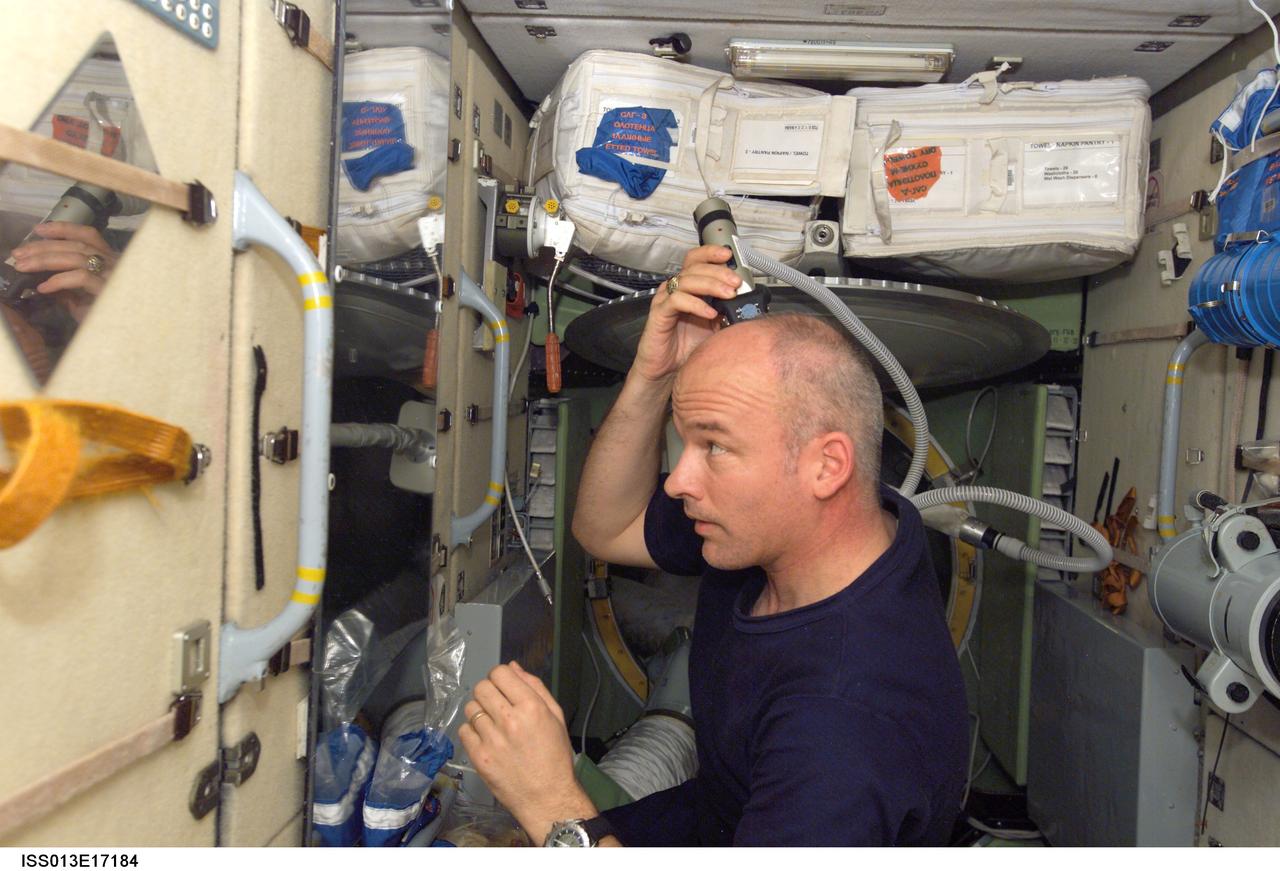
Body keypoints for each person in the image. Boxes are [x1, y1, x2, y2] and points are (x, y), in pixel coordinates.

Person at [459, 243, 969, 847]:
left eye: (715, 446)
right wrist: (654, 374)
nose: (678, 481)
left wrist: (552, 807)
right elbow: (606, 527)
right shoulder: (796, 531)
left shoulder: (844, 726)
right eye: (686, 443)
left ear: (827, 466)